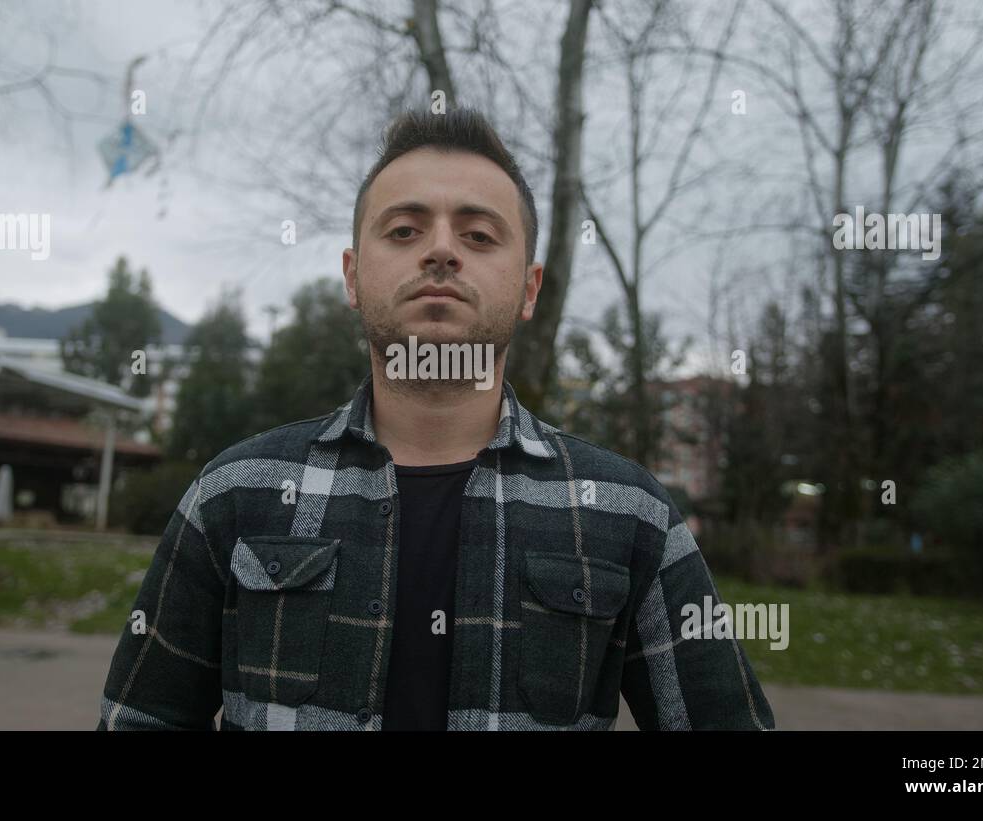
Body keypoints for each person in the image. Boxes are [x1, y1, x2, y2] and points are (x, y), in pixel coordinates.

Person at [98, 107, 774, 731]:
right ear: (353, 275)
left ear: (530, 289)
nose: (441, 251)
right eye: (404, 229)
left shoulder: (632, 515)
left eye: (479, 234)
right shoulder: (234, 495)